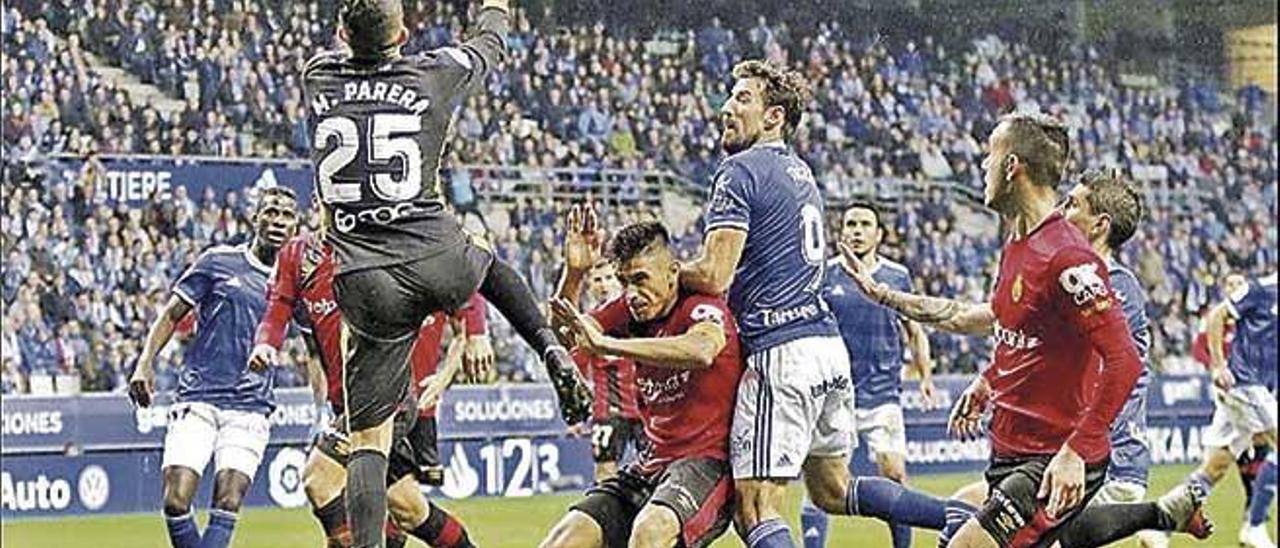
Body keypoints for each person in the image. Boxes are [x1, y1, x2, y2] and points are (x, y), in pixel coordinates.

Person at [845, 115, 1211, 547]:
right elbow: (978, 320)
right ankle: (1164, 512)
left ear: (1013, 165)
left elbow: (1125, 359)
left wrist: (1077, 450)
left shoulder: (1070, 259)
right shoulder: (1018, 244)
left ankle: (1159, 511)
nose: (983, 165)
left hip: (1052, 456)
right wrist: (885, 296)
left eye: (990, 155)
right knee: (1056, 535)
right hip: (1011, 452)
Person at [302, 1, 590, 545]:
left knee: (368, 441)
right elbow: (488, 44)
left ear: (341, 33)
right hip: (435, 251)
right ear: (404, 33)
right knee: (487, 260)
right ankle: (550, 348)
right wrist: (495, 8)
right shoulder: (433, 72)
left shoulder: (317, 75)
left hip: (366, 277)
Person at [679, 59, 855, 548]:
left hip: (781, 351)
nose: (726, 108)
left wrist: (666, 272)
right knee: (833, 490)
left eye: (742, 99)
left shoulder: (739, 171)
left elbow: (715, 274)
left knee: (755, 506)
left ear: (774, 116)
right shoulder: (802, 173)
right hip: (825, 344)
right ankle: (951, 518)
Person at [250, 229, 481, 548]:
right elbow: (277, 309)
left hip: (386, 393)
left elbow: (464, 278)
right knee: (409, 510)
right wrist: (265, 343)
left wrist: (475, 337)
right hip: (343, 401)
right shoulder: (297, 256)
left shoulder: (388, 241)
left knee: (319, 479)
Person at [540, 210, 742, 548]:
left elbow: (702, 349)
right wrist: (574, 275)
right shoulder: (628, 308)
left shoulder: (702, 306)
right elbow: (568, 334)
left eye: (641, 279)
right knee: (563, 540)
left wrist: (611, 345)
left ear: (673, 272)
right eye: (624, 282)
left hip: (706, 465)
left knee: (650, 532)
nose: (631, 293)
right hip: (650, 465)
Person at [128, 187, 300, 548]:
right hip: (198, 398)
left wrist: (324, 408)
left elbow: (316, 348)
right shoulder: (217, 261)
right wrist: (144, 364)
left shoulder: (295, 282)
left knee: (228, 498)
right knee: (175, 500)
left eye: (286, 215)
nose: (277, 221)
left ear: (295, 226)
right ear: (255, 218)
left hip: (250, 408)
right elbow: (172, 314)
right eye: (271, 211)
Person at [802, 201, 936, 548]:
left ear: (879, 234)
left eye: (864, 224)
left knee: (893, 473)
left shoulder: (896, 276)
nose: (857, 231)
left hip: (882, 394)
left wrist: (925, 378)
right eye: (851, 224)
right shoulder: (824, 275)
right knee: (822, 483)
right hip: (833, 394)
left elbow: (915, 331)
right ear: (841, 231)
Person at [1180, 270, 1276, 548]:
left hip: (1254, 390)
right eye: (1230, 283)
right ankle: (1254, 524)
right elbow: (1214, 317)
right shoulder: (1263, 289)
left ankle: (1159, 523)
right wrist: (1217, 365)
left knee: (1216, 466)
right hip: (1245, 384)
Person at [571, 259, 645, 481]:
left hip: (646, 409)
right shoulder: (588, 326)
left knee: (657, 469)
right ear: (590, 286)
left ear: (620, 281)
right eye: (597, 280)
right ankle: (605, 514)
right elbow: (575, 370)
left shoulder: (640, 315)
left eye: (608, 278)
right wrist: (575, 416)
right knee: (605, 471)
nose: (603, 285)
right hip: (607, 411)